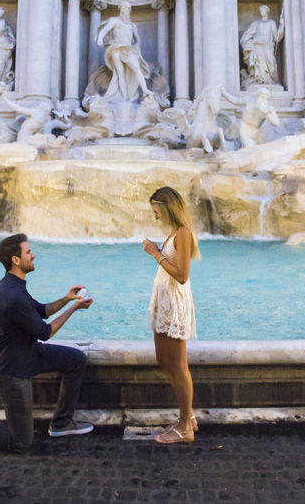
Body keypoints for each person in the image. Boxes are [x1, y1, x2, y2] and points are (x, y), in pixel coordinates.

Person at [0, 233, 94, 453]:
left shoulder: (14, 284)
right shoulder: (11, 294)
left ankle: (62, 423)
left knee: (76, 360)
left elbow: (41, 311)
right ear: (16, 259)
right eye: (28, 252)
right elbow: (45, 332)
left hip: (30, 354)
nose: (33, 255)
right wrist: (74, 309)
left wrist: (67, 298)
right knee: (21, 443)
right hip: (13, 370)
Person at [142, 187, 200, 444]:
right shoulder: (174, 233)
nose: (156, 217)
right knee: (165, 361)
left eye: (157, 211)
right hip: (164, 302)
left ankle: (185, 425)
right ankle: (187, 416)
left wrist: (155, 253)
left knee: (177, 365)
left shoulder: (184, 233)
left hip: (175, 304)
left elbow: (182, 275)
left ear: (167, 207)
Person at [96, 1, 151, 102]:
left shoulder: (132, 25)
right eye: (125, 8)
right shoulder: (115, 20)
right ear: (121, 9)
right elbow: (105, 30)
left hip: (128, 50)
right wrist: (100, 38)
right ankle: (125, 96)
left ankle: (145, 90)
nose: (126, 10)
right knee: (119, 73)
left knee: (137, 69)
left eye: (128, 8)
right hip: (116, 49)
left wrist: (136, 50)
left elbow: (137, 40)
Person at [240, 5, 284, 86]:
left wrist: (281, 25)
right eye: (260, 11)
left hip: (268, 46)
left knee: (271, 63)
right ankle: (258, 81)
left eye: (263, 11)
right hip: (257, 47)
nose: (261, 12)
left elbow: (276, 37)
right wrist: (249, 42)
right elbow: (247, 34)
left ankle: (270, 80)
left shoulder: (271, 23)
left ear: (267, 11)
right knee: (259, 64)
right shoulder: (256, 23)